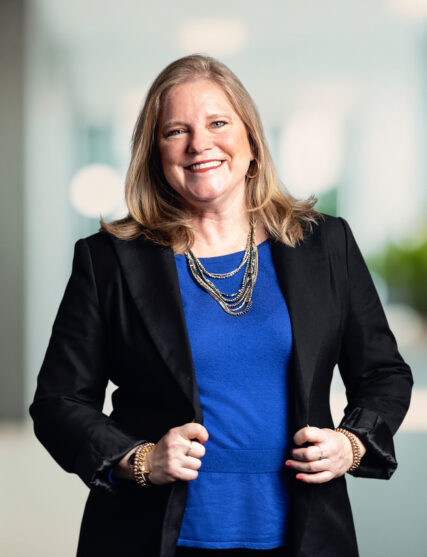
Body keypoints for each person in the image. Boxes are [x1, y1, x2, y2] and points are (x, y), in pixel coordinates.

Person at [29, 54, 413, 557]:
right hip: (154, 535)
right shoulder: (109, 260)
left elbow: (384, 373)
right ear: (155, 153)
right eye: (175, 131)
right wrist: (138, 459)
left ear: (251, 141)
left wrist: (353, 443)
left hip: (303, 534)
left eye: (217, 123)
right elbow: (59, 401)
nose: (199, 144)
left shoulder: (325, 245)